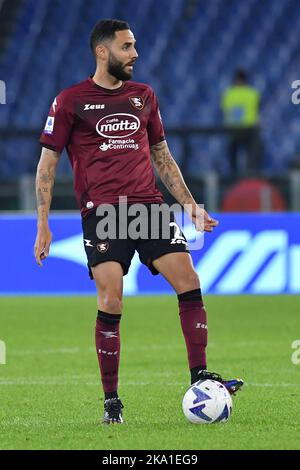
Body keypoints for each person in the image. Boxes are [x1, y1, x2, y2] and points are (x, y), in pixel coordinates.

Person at [34, 19, 243, 425]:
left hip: (147, 208)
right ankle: (112, 401)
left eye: (135, 47)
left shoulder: (143, 97)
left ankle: (199, 376)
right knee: (111, 299)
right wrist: (44, 224)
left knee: (189, 280)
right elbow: (48, 163)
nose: (135, 54)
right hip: (103, 214)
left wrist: (191, 206)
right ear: (102, 51)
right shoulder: (70, 101)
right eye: (127, 47)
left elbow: (162, 157)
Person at [221, 69, 263, 174]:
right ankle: (250, 172)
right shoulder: (253, 93)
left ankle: (233, 175)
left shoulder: (228, 93)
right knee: (254, 149)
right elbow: (257, 111)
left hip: (233, 130)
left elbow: (224, 109)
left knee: (233, 153)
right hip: (249, 130)